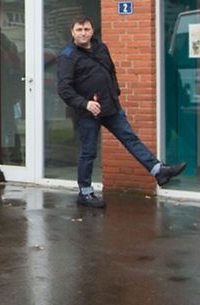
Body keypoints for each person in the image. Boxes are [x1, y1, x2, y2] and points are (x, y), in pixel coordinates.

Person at [56, 16, 185, 209]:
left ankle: (159, 170)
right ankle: (85, 192)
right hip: (87, 112)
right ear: (72, 32)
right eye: (79, 30)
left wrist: (115, 91)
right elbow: (64, 88)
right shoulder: (68, 56)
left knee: (130, 138)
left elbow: (111, 71)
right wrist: (85, 104)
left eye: (87, 29)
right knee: (88, 152)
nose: (83, 33)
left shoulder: (101, 48)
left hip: (110, 107)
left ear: (92, 31)